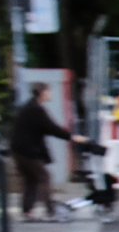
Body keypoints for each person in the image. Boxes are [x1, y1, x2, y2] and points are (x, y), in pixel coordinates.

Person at [8, 84, 73, 221]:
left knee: (31, 180)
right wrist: (71, 137)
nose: (50, 94)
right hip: (28, 151)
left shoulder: (29, 107)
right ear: (41, 93)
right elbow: (51, 128)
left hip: (19, 150)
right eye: (48, 91)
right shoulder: (36, 110)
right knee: (44, 177)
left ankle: (26, 211)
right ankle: (51, 212)